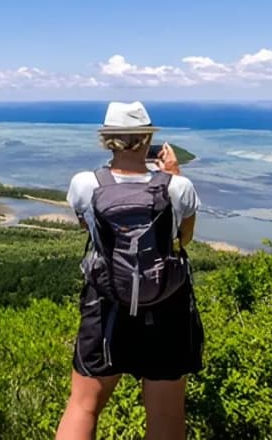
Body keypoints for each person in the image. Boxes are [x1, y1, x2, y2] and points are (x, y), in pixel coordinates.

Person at [56, 101, 203, 440]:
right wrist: (174, 175)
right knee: (165, 414)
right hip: (167, 307)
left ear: (107, 140)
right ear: (147, 139)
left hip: (105, 305)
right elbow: (184, 239)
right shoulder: (178, 187)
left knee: (83, 406)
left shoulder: (85, 184)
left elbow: (87, 227)